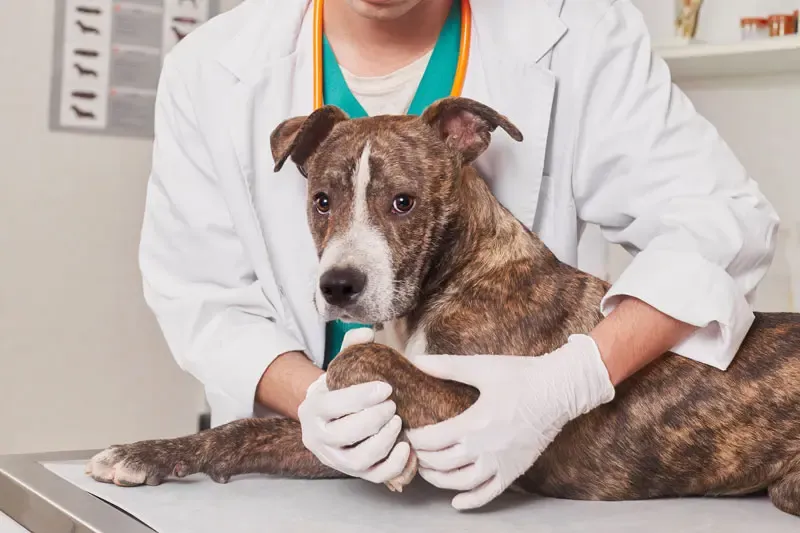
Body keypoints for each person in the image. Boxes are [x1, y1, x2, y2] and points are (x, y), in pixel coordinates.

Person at [139, 0, 779, 511]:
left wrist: (570, 379)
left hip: (517, 479)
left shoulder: (576, 31)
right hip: (308, 481)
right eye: (325, 203)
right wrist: (319, 405)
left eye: (402, 205)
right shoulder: (211, 67)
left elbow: (721, 221)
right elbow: (199, 293)